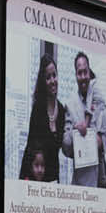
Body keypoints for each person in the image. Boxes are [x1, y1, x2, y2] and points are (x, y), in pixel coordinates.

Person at [64, 52, 106, 187]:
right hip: (81, 183)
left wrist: (99, 142)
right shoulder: (70, 105)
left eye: (85, 72)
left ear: (89, 72)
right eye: (80, 73)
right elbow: (65, 148)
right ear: (75, 76)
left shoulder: (99, 100)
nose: (83, 76)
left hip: (100, 179)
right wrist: (75, 132)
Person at [24, 55, 66, 183]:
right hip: (38, 177)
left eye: (54, 75)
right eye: (48, 77)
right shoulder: (38, 108)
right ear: (43, 81)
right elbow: (31, 145)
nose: (53, 80)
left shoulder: (62, 109)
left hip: (53, 177)